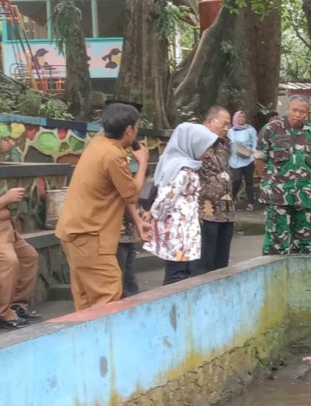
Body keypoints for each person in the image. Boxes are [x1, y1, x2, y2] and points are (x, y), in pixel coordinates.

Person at [55, 103, 151, 310]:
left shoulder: (97, 144)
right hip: (90, 235)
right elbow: (132, 194)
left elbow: (119, 193)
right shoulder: (113, 155)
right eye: (137, 128)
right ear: (129, 130)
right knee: (107, 295)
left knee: (85, 298)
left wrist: (137, 221)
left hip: (74, 232)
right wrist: (143, 162)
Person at [145, 123, 219, 286]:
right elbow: (166, 198)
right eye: (205, 148)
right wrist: (154, 216)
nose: (208, 153)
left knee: (180, 272)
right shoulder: (183, 171)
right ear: (193, 145)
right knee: (176, 274)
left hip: (182, 233)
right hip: (178, 234)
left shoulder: (184, 167)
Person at [255, 95, 311, 256]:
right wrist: (270, 181)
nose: (298, 114)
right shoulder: (270, 130)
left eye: (302, 111)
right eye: (294, 110)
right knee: (277, 242)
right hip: (277, 196)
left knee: (304, 241)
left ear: (307, 113)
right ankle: (274, 276)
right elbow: (259, 159)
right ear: (287, 109)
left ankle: (300, 276)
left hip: (304, 195)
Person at [193, 105, 235, 274]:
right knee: (204, 265)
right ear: (209, 121)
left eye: (228, 125)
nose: (226, 128)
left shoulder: (224, 146)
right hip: (205, 213)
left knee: (221, 266)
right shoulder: (196, 145)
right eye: (223, 124)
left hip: (225, 212)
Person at [0, 187, 40, 329]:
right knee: (9, 262)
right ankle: (4, 314)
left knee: (29, 256)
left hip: (7, 227)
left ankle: (17, 305)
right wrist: (6, 198)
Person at [228, 110, 258, 212]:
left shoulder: (250, 130)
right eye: (239, 117)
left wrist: (254, 156)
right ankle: (231, 201)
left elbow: (255, 143)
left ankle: (250, 203)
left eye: (243, 117)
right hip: (234, 160)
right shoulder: (231, 131)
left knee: (249, 181)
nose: (241, 119)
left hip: (248, 159)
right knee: (236, 180)